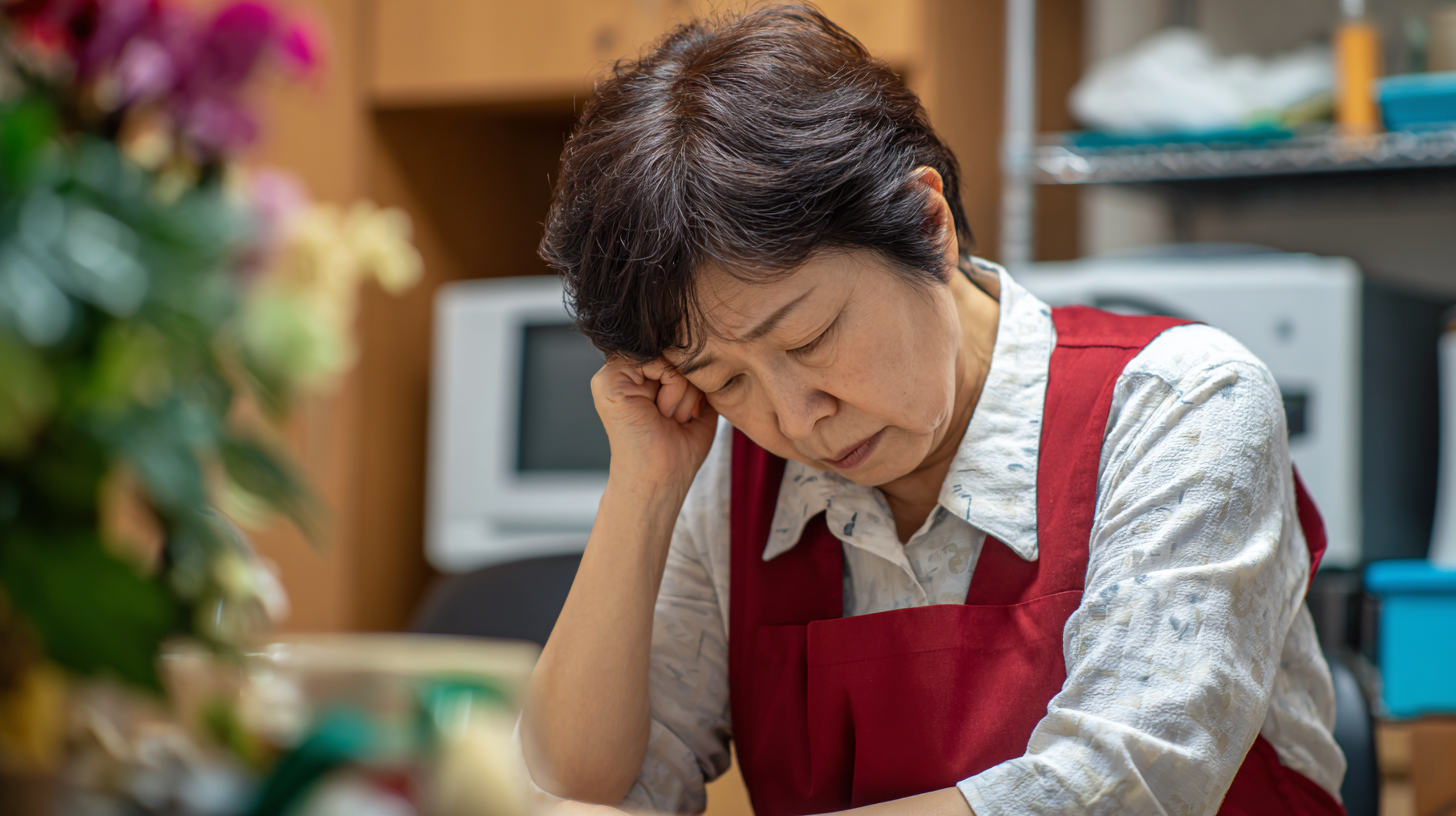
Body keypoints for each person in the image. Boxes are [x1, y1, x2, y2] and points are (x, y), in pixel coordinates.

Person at [520, 6, 1347, 816]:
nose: (797, 419)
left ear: (927, 221)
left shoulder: (1182, 404)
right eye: (725, 381)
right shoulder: (737, 475)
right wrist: (646, 485)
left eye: (810, 339)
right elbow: (582, 790)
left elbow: (1115, 785)